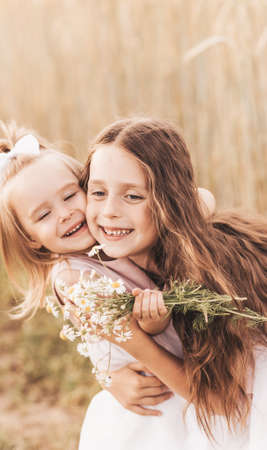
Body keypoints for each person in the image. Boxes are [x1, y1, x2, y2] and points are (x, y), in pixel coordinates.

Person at [0, 121, 215, 414]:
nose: (65, 214)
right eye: (43, 215)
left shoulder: (114, 235)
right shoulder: (74, 279)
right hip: (165, 393)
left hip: (194, 363)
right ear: (31, 240)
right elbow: (134, 338)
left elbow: (203, 198)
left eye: (69, 196)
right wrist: (150, 327)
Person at [77, 117, 267, 449]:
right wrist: (109, 377)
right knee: (114, 416)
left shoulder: (208, 273)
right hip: (209, 396)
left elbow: (224, 404)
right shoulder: (108, 264)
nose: (109, 211)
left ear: (170, 201)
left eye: (133, 196)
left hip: (245, 407)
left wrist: (135, 342)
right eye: (98, 192)